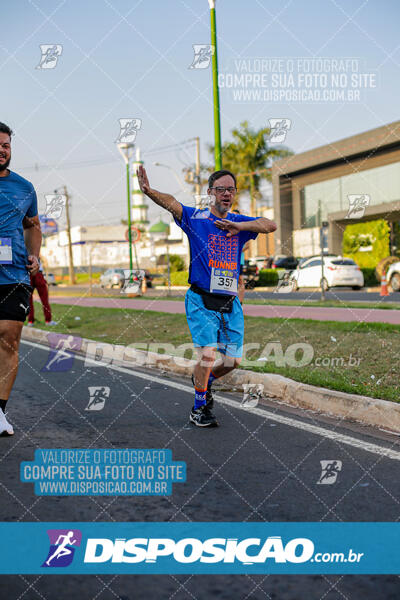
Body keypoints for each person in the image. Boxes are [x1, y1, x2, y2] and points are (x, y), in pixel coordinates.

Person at [137, 166, 276, 427]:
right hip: (201, 299)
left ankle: (205, 380)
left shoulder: (239, 223)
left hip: (230, 302)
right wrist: (149, 191)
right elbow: (173, 204)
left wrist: (239, 225)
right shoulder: (197, 218)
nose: (226, 193)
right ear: (210, 193)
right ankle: (199, 408)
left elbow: (271, 224)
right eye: (220, 189)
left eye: (231, 189)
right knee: (208, 355)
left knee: (233, 361)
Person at [0, 122, 41, 436]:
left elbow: (33, 225)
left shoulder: (24, 187)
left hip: (12, 274)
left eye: (6, 145)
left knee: (8, 340)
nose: (2, 150)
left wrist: (34, 254)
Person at [27, 258, 57, 326]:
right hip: (37, 273)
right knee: (44, 299)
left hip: (29, 273)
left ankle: (30, 321)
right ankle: (48, 320)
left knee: (29, 300)